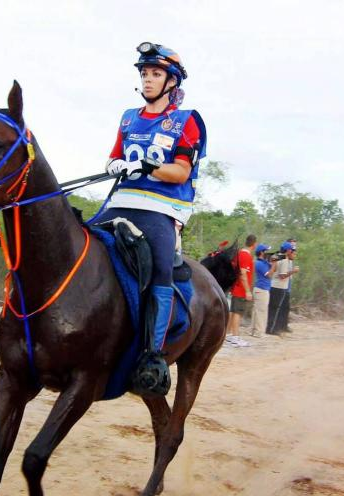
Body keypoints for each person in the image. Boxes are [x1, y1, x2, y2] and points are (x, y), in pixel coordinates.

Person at [103, 42, 206, 394]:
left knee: (161, 268)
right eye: (144, 73)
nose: (148, 79)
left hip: (162, 208)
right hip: (122, 199)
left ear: (171, 82)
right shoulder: (128, 117)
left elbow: (180, 172)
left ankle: (153, 355)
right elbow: (114, 156)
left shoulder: (186, 121)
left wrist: (149, 166)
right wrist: (115, 164)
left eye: (156, 73)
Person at [227, 234, 256, 347]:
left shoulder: (239, 254)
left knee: (233, 312)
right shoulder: (245, 255)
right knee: (237, 313)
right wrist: (248, 291)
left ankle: (229, 335)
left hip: (236, 288)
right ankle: (235, 337)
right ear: (254, 244)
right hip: (240, 289)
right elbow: (243, 274)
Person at [267, 242, 298, 335]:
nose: (293, 252)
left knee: (273, 308)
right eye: (292, 250)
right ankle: (272, 329)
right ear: (288, 251)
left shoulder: (279, 258)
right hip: (279, 287)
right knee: (275, 309)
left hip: (276, 286)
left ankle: (271, 328)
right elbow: (282, 276)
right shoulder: (284, 260)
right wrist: (293, 271)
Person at [251, 243, 276, 338]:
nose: (268, 253)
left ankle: (254, 331)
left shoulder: (263, 262)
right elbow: (269, 275)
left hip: (261, 289)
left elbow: (273, 270)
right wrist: (273, 264)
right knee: (261, 311)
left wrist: (273, 263)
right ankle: (259, 332)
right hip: (262, 289)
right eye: (266, 251)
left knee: (257, 311)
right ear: (261, 252)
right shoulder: (260, 263)